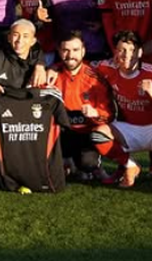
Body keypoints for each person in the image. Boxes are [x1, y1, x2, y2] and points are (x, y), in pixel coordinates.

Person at [93, 31, 152, 188]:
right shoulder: (107, 67)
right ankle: (130, 166)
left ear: (140, 52)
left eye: (132, 50)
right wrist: (52, 69)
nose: (127, 55)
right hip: (128, 128)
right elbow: (83, 68)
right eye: (122, 50)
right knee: (98, 135)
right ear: (115, 51)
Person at [47, 31, 115, 180]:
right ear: (59, 51)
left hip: (86, 133)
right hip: (61, 134)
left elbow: (109, 114)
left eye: (75, 50)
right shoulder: (50, 75)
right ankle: (66, 161)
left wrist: (95, 113)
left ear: (83, 51)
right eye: (65, 50)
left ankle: (92, 166)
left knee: (87, 164)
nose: (70, 55)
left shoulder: (95, 77)